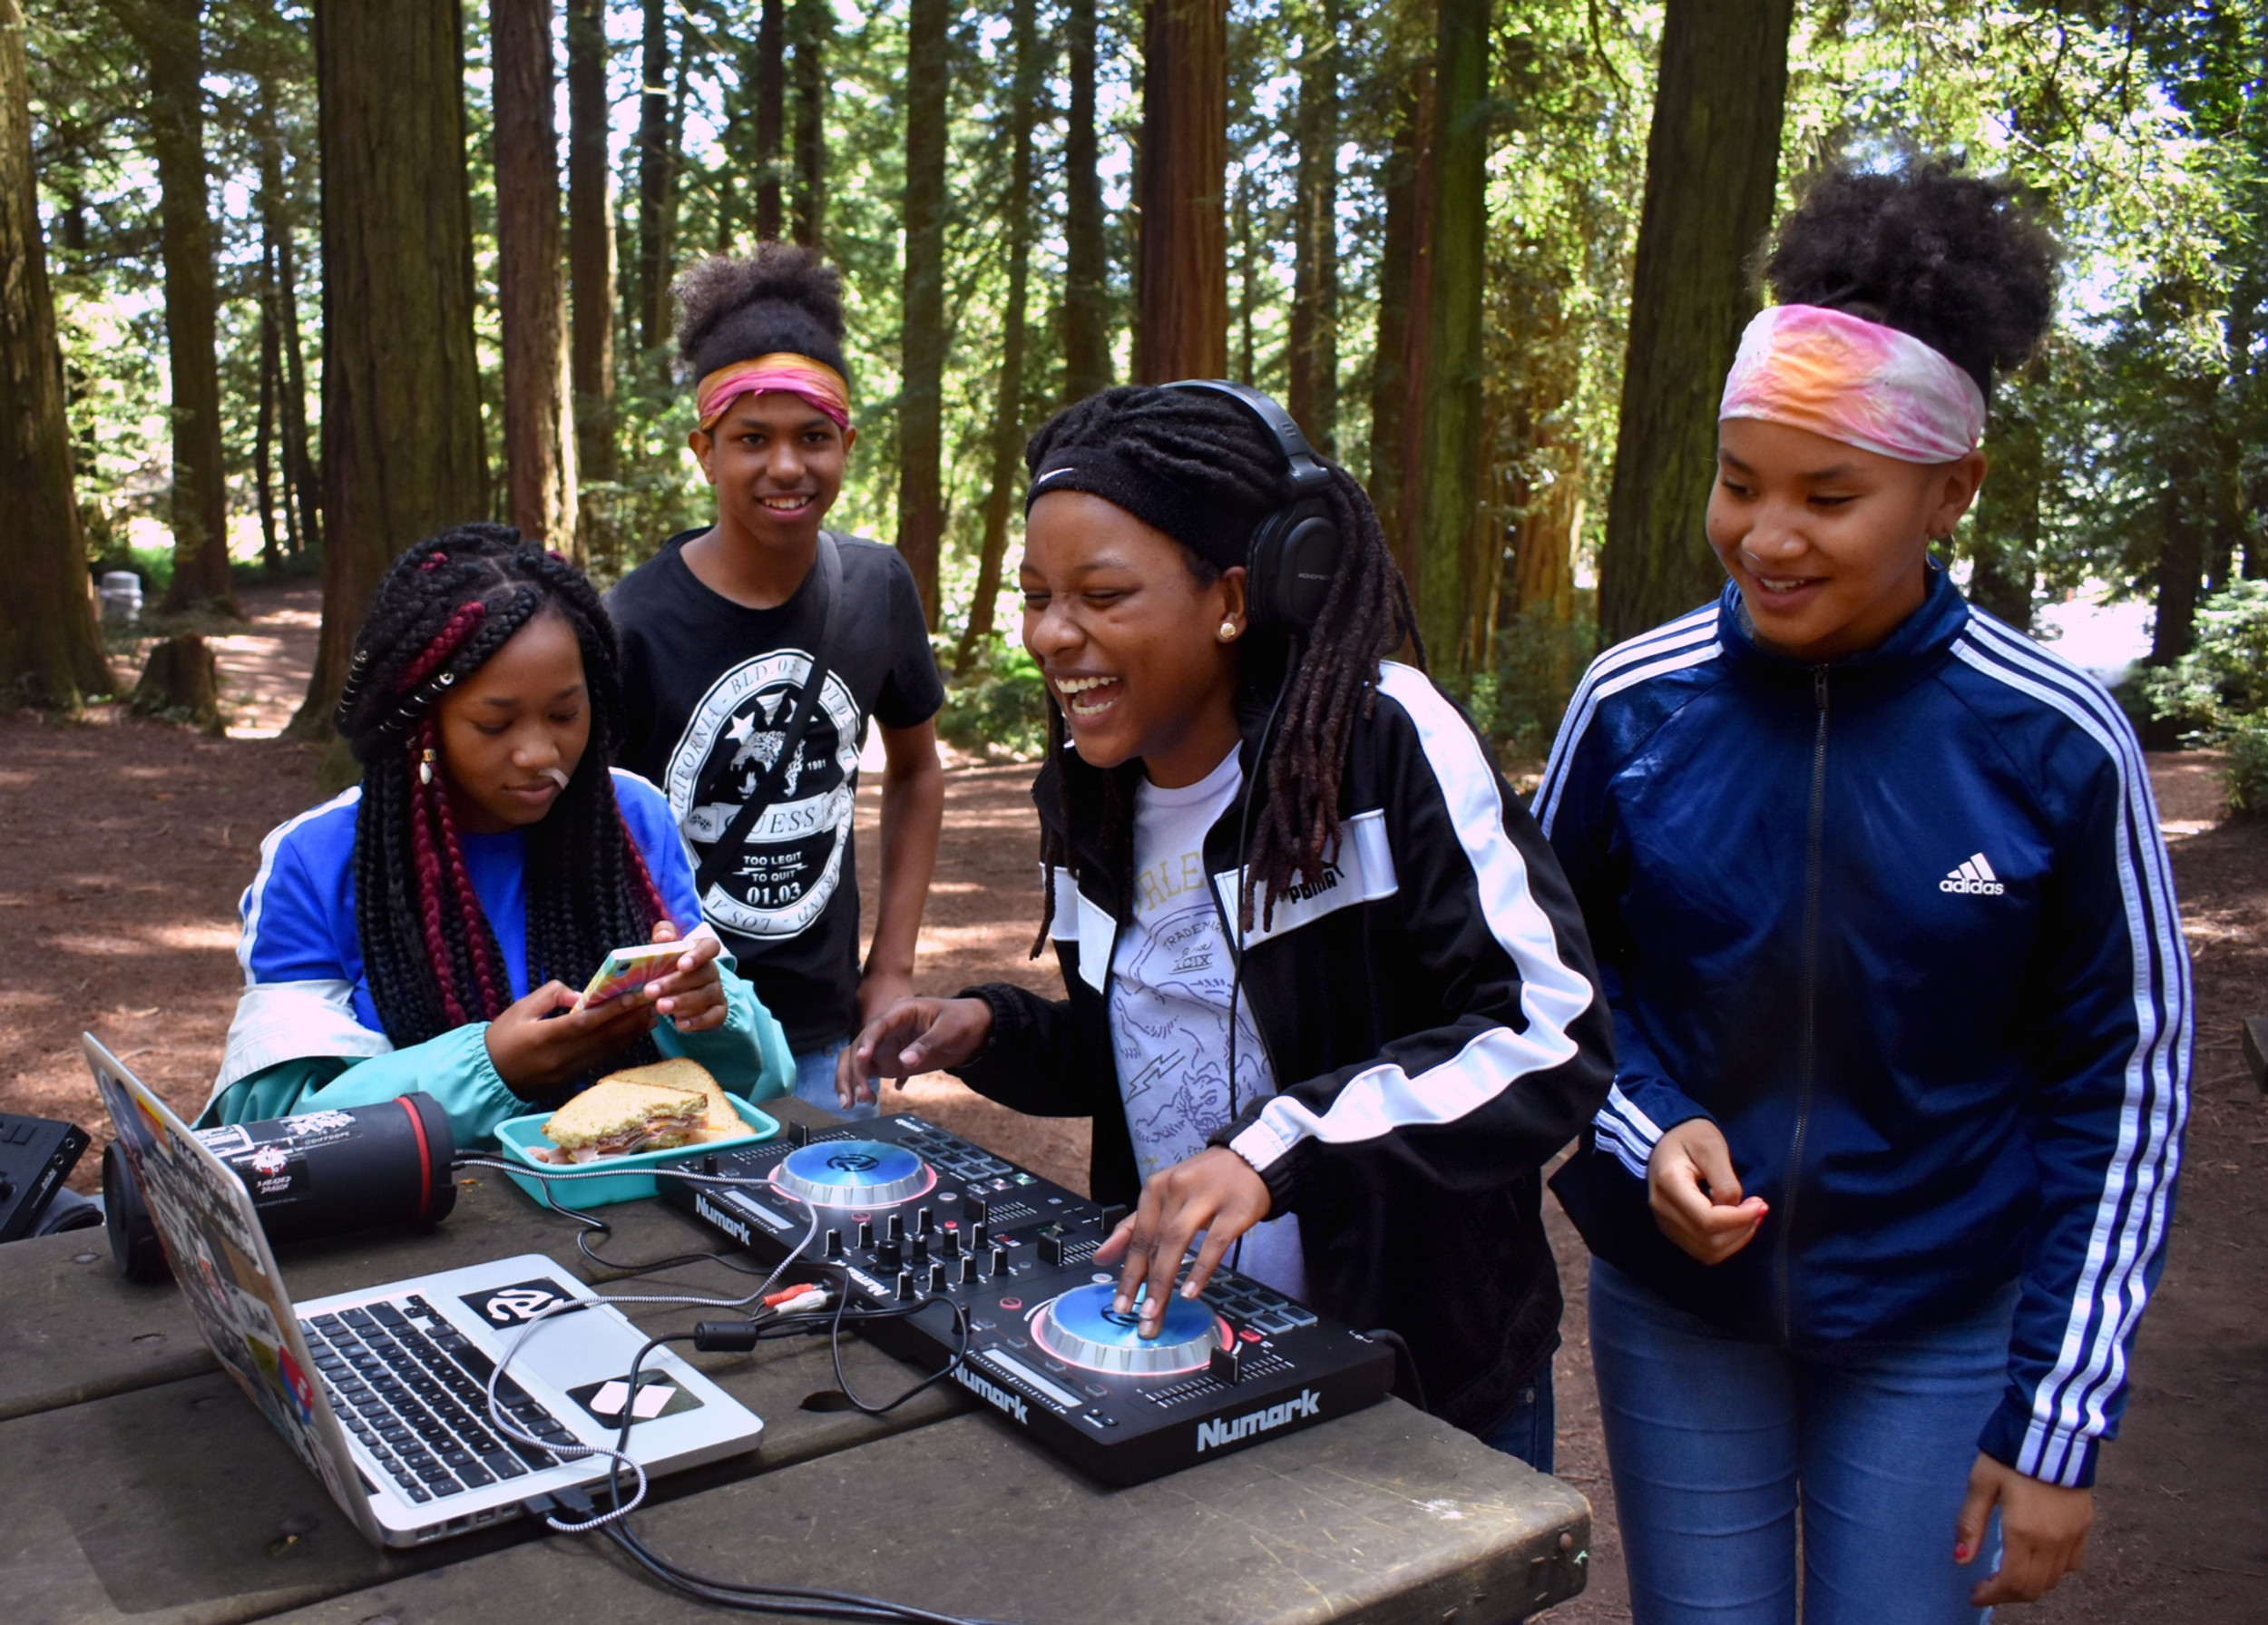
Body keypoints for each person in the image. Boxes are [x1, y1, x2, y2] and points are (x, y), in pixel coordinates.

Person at [1540, 158, 2190, 1622]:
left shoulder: (2054, 743)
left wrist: (2060, 1425)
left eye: (1830, 495)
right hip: (1681, 1307)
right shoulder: (1633, 704)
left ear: (1950, 489)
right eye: (1740, 482)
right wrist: (1644, 1133)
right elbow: (1543, 979)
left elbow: (2125, 1083)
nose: (1769, 537)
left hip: (1941, 1321)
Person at [842, 383, 1615, 1465]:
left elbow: (1546, 1037)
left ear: (1237, 598)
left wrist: (1275, 1151)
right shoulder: (1090, 787)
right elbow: (1146, 1047)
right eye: (1035, 596)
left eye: (1101, 595)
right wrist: (995, 1029)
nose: (1051, 637)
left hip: (1415, 1370)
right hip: (1187, 1352)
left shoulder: (1383, 744)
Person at [204, 525, 795, 1145]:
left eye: (566, 713)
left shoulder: (633, 818)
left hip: (633, 1216)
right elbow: (274, 1130)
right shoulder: (316, 860)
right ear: (422, 726)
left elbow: (766, 1082)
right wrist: (490, 1069)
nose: (540, 753)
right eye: (494, 723)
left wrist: (714, 1015)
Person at [608, 244, 944, 1118]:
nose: (786, 466)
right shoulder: (629, 626)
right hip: (669, 1046)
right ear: (704, 451)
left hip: (826, 1048)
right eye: (752, 439)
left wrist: (893, 966)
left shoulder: (876, 589)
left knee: (829, 1252)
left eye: (812, 438)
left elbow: (916, 768)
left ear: (847, 445)